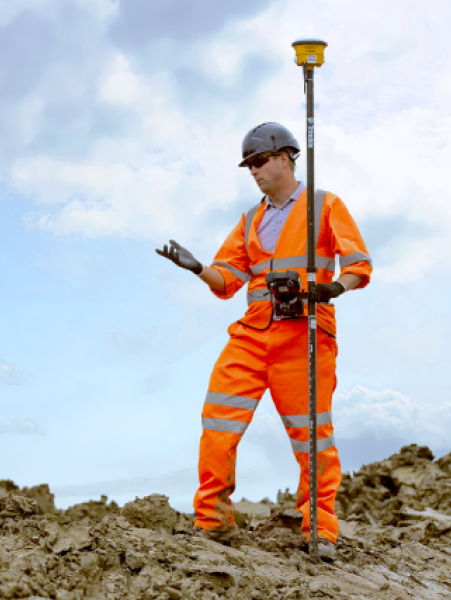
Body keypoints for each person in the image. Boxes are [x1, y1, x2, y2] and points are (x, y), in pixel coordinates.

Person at [157, 123, 372, 560]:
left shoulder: (324, 206)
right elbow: (227, 281)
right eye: (249, 165)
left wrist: (335, 288)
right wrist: (197, 267)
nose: (253, 171)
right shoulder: (250, 219)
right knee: (218, 423)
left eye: (260, 161)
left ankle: (320, 531)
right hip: (253, 335)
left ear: (287, 158)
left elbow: (359, 264)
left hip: (305, 334)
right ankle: (212, 522)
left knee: (311, 437)